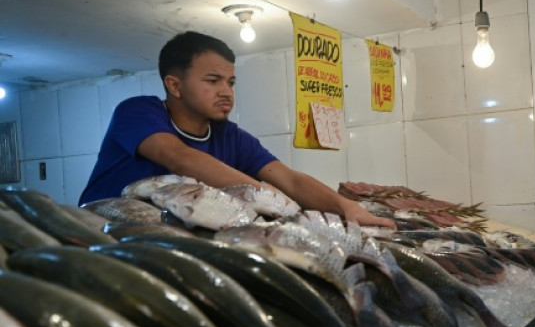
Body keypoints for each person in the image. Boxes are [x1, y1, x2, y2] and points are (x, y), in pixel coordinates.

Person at [80, 31, 394, 228]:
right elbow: (180, 158)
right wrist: (265, 194)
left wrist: (347, 206)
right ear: (174, 85)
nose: (226, 92)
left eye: (230, 82)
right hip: (97, 240)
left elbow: (290, 180)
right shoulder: (138, 111)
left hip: (165, 246)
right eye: (212, 81)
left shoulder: (230, 137)